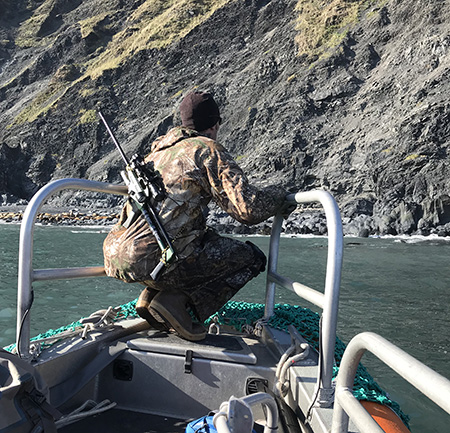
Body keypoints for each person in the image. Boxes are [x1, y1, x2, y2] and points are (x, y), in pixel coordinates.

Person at [103, 91, 288, 341]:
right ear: (214, 125)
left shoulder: (156, 153)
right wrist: (279, 196)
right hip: (156, 257)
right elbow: (247, 210)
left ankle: (151, 296)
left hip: (117, 256)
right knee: (251, 258)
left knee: (200, 239)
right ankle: (176, 304)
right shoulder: (206, 149)